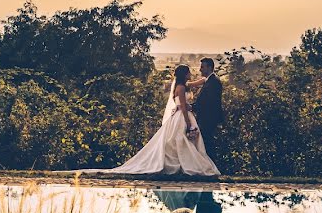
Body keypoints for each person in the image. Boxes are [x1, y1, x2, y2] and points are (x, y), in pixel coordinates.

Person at [80, 65, 219, 177]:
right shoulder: (181, 87)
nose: (191, 74)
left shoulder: (183, 85)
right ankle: (185, 165)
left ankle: (183, 164)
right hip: (182, 117)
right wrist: (188, 125)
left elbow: (198, 83)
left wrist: (207, 79)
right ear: (184, 74)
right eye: (189, 72)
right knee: (181, 140)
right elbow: (182, 107)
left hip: (184, 116)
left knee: (180, 142)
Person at [191, 58, 223, 163]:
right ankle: (209, 167)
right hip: (206, 118)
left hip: (208, 119)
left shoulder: (214, 82)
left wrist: (192, 107)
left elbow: (208, 103)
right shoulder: (210, 81)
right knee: (206, 144)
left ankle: (211, 167)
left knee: (208, 144)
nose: (200, 70)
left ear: (209, 67)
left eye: (202, 67)